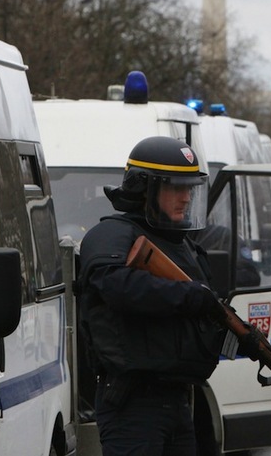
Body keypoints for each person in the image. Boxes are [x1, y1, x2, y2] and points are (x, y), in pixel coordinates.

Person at [78, 136, 231, 456]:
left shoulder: (183, 245)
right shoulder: (111, 235)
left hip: (178, 399)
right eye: (176, 188)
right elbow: (117, 285)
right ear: (143, 188)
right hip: (132, 404)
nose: (186, 198)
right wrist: (188, 295)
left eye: (190, 189)